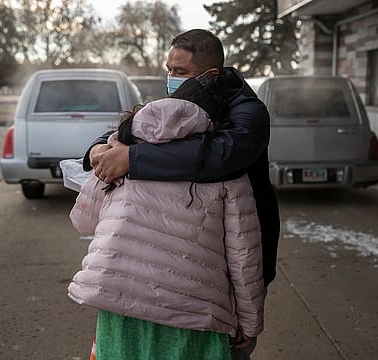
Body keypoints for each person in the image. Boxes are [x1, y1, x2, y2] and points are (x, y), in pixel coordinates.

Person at [85, 29, 280, 359]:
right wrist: (97, 150)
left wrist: (130, 159)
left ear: (211, 75)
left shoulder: (247, 112)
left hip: (239, 252)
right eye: (169, 69)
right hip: (157, 278)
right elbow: (132, 129)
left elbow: (221, 155)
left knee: (234, 345)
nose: (171, 79)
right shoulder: (176, 108)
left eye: (180, 72)